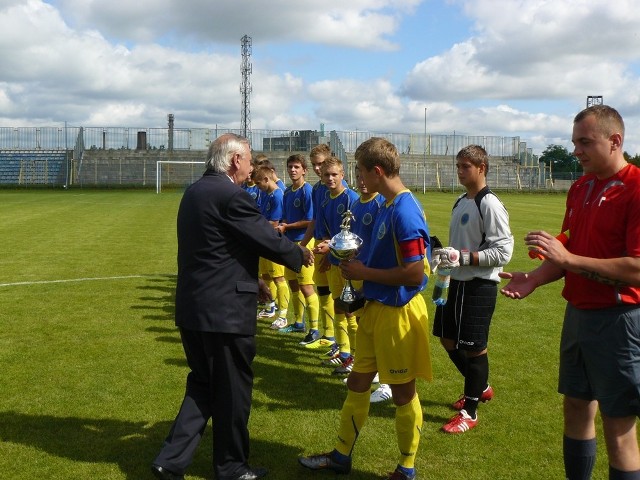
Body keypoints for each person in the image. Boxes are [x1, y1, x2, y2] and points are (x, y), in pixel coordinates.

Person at [151, 133, 313, 480]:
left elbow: (214, 250)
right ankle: (232, 467)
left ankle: (171, 460)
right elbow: (265, 238)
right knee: (233, 393)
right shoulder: (231, 196)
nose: (253, 167)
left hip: (194, 307)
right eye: (250, 159)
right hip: (224, 314)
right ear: (235, 160)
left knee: (202, 385)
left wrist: (251, 281)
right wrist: (300, 254)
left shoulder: (193, 192)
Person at [499, 105, 640, 480]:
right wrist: (536, 277)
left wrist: (570, 259)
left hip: (618, 321)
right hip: (578, 315)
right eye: (574, 141)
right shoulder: (580, 187)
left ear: (615, 141)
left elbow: (637, 269)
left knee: (619, 426)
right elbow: (568, 250)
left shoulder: (637, 189)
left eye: (585, 142)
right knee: (576, 407)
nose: (576, 150)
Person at [299, 137, 432, 480]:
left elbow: (416, 272)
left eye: (359, 170)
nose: (357, 177)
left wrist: (363, 272)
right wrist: (352, 259)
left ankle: (406, 467)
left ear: (376, 171)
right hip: (375, 308)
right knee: (357, 383)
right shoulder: (387, 206)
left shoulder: (404, 209)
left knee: (403, 392)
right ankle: (341, 455)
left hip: (398, 314)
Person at [431, 145, 513, 433]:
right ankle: (480, 387)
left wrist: (465, 257)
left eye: (466, 166)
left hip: (479, 285)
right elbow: (457, 249)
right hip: (456, 282)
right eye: (458, 166)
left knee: (474, 348)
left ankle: (471, 411)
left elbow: (503, 251)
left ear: (481, 168)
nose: (460, 171)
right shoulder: (460, 201)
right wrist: (443, 255)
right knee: (447, 340)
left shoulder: (489, 203)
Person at [313, 156, 360, 375]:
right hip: (334, 262)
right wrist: (326, 255)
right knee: (338, 307)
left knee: (352, 311)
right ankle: (344, 354)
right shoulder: (324, 201)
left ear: (343, 175)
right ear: (321, 177)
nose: (330, 178)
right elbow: (325, 234)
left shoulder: (352, 199)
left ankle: (359, 359)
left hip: (350, 265)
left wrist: (330, 246)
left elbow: (355, 236)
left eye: (334, 174)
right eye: (326, 175)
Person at [275, 154, 321, 342]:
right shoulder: (287, 192)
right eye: (290, 167)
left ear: (304, 170)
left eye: (296, 167)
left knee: (306, 286)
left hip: (304, 242)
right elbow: (285, 217)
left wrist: (287, 227)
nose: (292, 170)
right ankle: (298, 323)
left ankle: (315, 329)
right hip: (288, 243)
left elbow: (310, 220)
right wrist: (283, 227)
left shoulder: (307, 190)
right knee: (293, 283)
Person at [300, 144, 338, 353]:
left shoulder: (341, 188)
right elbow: (314, 220)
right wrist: (303, 245)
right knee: (322, 292)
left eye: (321, 164)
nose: (318, 169)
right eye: (315, 165)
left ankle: (341, 345)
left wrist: (332, 249)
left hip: (334, 248)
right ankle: (328, 336)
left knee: (338, 297)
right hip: (318, 245)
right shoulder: (317, 189)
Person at [253, 165, 291, 330]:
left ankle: (283, 315)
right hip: (264, 241)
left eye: (259, 183)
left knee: (279, 278)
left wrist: (253, 229)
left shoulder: (277, 195)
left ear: (267, 179)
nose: (258, 186)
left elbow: (274, 223)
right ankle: (270, 307)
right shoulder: (267, 194)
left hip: (274, 242)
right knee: (266, 276)